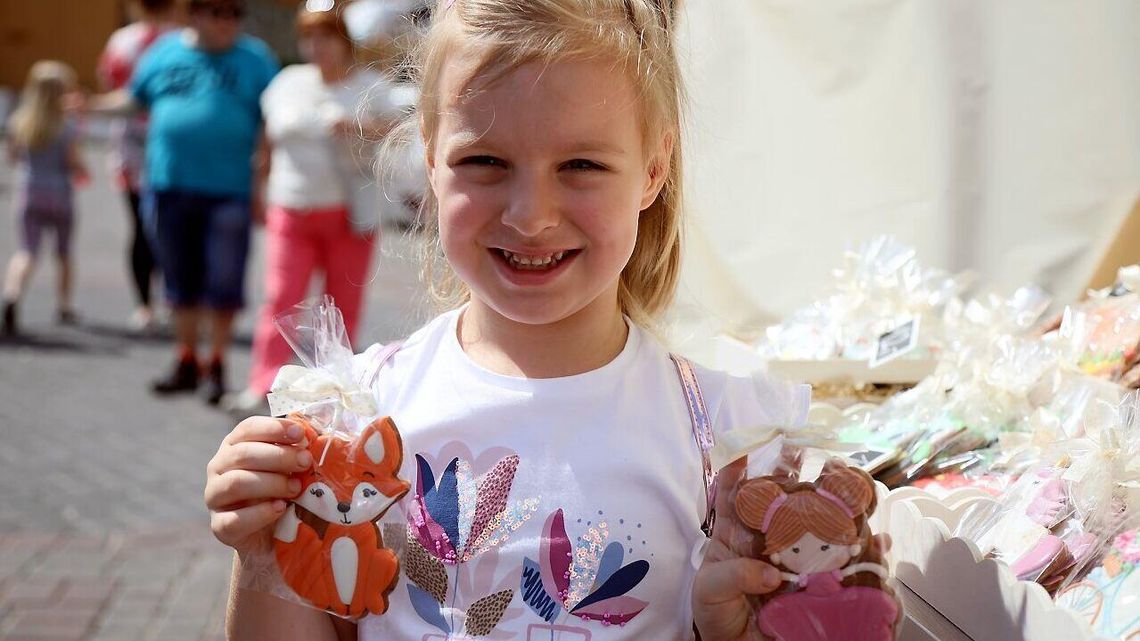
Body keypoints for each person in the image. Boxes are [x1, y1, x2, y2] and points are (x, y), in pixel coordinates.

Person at [204, 1, 818, 639]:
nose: (531, 216)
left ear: (653, 170)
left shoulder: (725, 442)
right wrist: (261, 550)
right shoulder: (358, 413)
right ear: (431, 157)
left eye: (582, 165)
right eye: (485, 163)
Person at [89, 0, 279, 404]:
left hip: (229, 190)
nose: (228, 22)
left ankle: (216, 365)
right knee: (179, 281)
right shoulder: (166, 52)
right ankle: (186, 359)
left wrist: (264, 178)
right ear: (195, 15)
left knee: (224, 282)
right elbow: (133, 98)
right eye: (218, 13)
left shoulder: (255, 59)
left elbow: (272, 119)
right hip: (169, 185)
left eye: (235, 14)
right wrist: (87, 105)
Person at [221, 2, 399, 416]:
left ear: (344, 41)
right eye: (309, 38)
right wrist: (258, 190)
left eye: (326, 37)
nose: (316, 47)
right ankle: (264, 383)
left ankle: (336, 390)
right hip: (292, 207)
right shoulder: (288, 81)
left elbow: (402, 129)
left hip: (350, 213)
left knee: (342, 306)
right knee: (281, 297)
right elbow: (266, 142)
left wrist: (358, 126)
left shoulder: (370, 84)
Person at [97, 0, 180, 332]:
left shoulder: (123, 41)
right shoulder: (180, 39)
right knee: (170, 229)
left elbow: (109, 82)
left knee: (143, 228)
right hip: (167, 147)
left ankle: (147, 305)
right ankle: (168, 300)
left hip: (135, 147)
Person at [3, 61, 89, 336]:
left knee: (27, 250)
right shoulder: (66, 127)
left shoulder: (20, 122)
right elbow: (73, 162)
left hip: (30, 190)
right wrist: (82, 169)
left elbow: (13, 156)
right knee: (63, 253)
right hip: (59, 194)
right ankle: (64, 304)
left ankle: (12, 293)